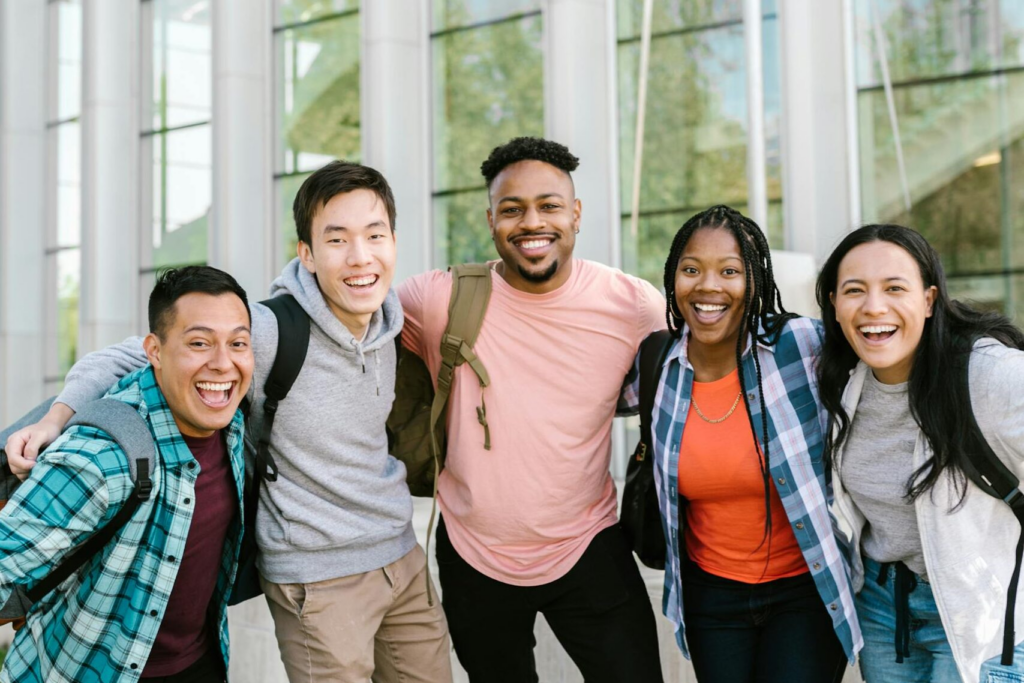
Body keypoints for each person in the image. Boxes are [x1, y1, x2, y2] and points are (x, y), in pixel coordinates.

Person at [4, 162, 452, 683]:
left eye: (375, 235)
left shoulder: (394, 322)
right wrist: (58, 416)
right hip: (318, 578)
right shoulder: (266, 330)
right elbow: (128, 357)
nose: (360, 257)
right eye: (337, 239)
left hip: (401, 555)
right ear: (306, 254)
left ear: (394, 241)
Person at [399, 136, 666, 682]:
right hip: (473, 556)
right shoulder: (437, 300)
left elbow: (708, 359)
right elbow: (341, 313)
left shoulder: (633, 305)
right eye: (512, 209)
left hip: (589, 545)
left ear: (576, 214)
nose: (531, 223)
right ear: (491, 218)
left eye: (548, 206)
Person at [620, 205, 861, 683]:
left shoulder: (800, 345)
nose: (708, 286)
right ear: (673, 279)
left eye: (730, 271)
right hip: (711, 597)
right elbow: (574, 396)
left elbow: (891, 358)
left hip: (804, 591)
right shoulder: (657, 364)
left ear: (754, 281)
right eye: (691, 270)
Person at [0, 266, 252, 682]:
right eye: (199, 343)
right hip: (86, 670)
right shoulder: (103, 454)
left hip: (200, 663)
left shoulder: (232, 419)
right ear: (153, 350)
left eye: (237, 343)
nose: (223, 364)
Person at [816, 224, 1024, 683]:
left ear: (929, 300)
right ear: (834, 303)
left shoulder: (988, 375)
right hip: (882, 607)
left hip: (978, 609)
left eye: (894, 288)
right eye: (854, 290)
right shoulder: (840, 379)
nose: (874, 307)